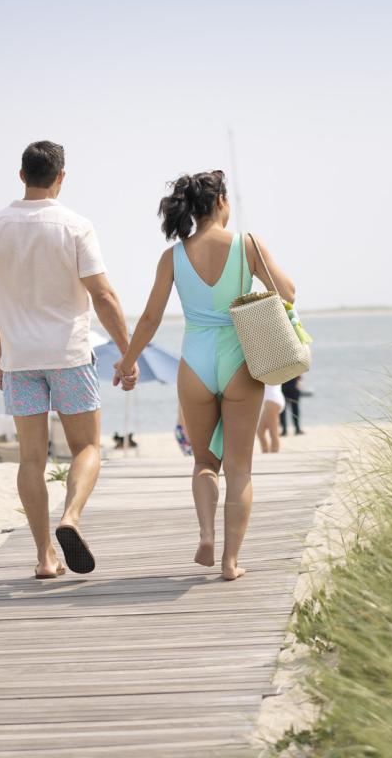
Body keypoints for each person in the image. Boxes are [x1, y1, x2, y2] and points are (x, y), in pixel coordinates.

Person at [117, 170, 295, 581]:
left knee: (203, 462)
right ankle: (231, 562)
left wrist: (128, 362)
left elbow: (149, 318)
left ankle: (205, 534)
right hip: (240, 360)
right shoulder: (247, 245)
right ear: (220, 203)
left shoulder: (173, 257)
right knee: (240, 468)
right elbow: (287, 292)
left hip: (194, 363)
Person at [0, 140, 138, 580]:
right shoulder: (75, 226)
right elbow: (102, 295)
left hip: (19, 359)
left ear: (22, 175)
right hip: (68, 354)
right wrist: (127, 352)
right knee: (87, 447)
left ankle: (45, 557)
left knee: (31, 459)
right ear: (61, 178)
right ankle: (71, 517)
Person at [257, 383, 284, 453]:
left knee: (273, 432)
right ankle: (266, 452)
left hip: (273, 400)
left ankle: (274, 454)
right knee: (260, 432)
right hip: (270, 401)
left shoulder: (273, 373)